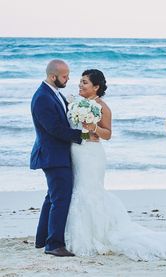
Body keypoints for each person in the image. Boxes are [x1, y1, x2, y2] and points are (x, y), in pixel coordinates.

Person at [64, 69, 166, 260]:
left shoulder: (103, 107)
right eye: (80, 81)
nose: (80, 85)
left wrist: (92, 127)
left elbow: (107, 134)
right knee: (77, 191)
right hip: (75, 152)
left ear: (96, 87)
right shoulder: (76, 103)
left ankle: (92, 236)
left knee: (88, 192)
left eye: (84, 82)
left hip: (91, 155)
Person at [31, 59, 83, 257]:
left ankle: (42, 238)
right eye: (64, 76)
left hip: (56, 154)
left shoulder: (54, 93)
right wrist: (82, 136)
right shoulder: (43, 97)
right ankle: (54, 244)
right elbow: (54, 129)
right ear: (53, 76)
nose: (68, 79)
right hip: (53, 155)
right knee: (61, 198)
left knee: (51, 197)